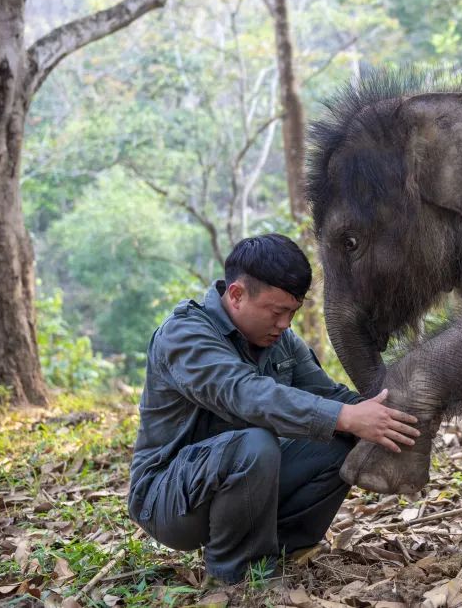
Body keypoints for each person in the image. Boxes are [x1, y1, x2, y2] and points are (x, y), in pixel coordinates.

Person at [127, 233, 420, 583]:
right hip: (167, 499)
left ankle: (281, 549)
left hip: (240, 481)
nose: (285, 324)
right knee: (257, 444)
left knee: (341, 436)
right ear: (236, 295)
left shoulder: (281, 341)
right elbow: (244, 394)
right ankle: (237, 574)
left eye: (292, 313)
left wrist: (390, 416)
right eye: (276, 312)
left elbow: (329, 395)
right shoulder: (185, 335)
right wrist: (346, 417)